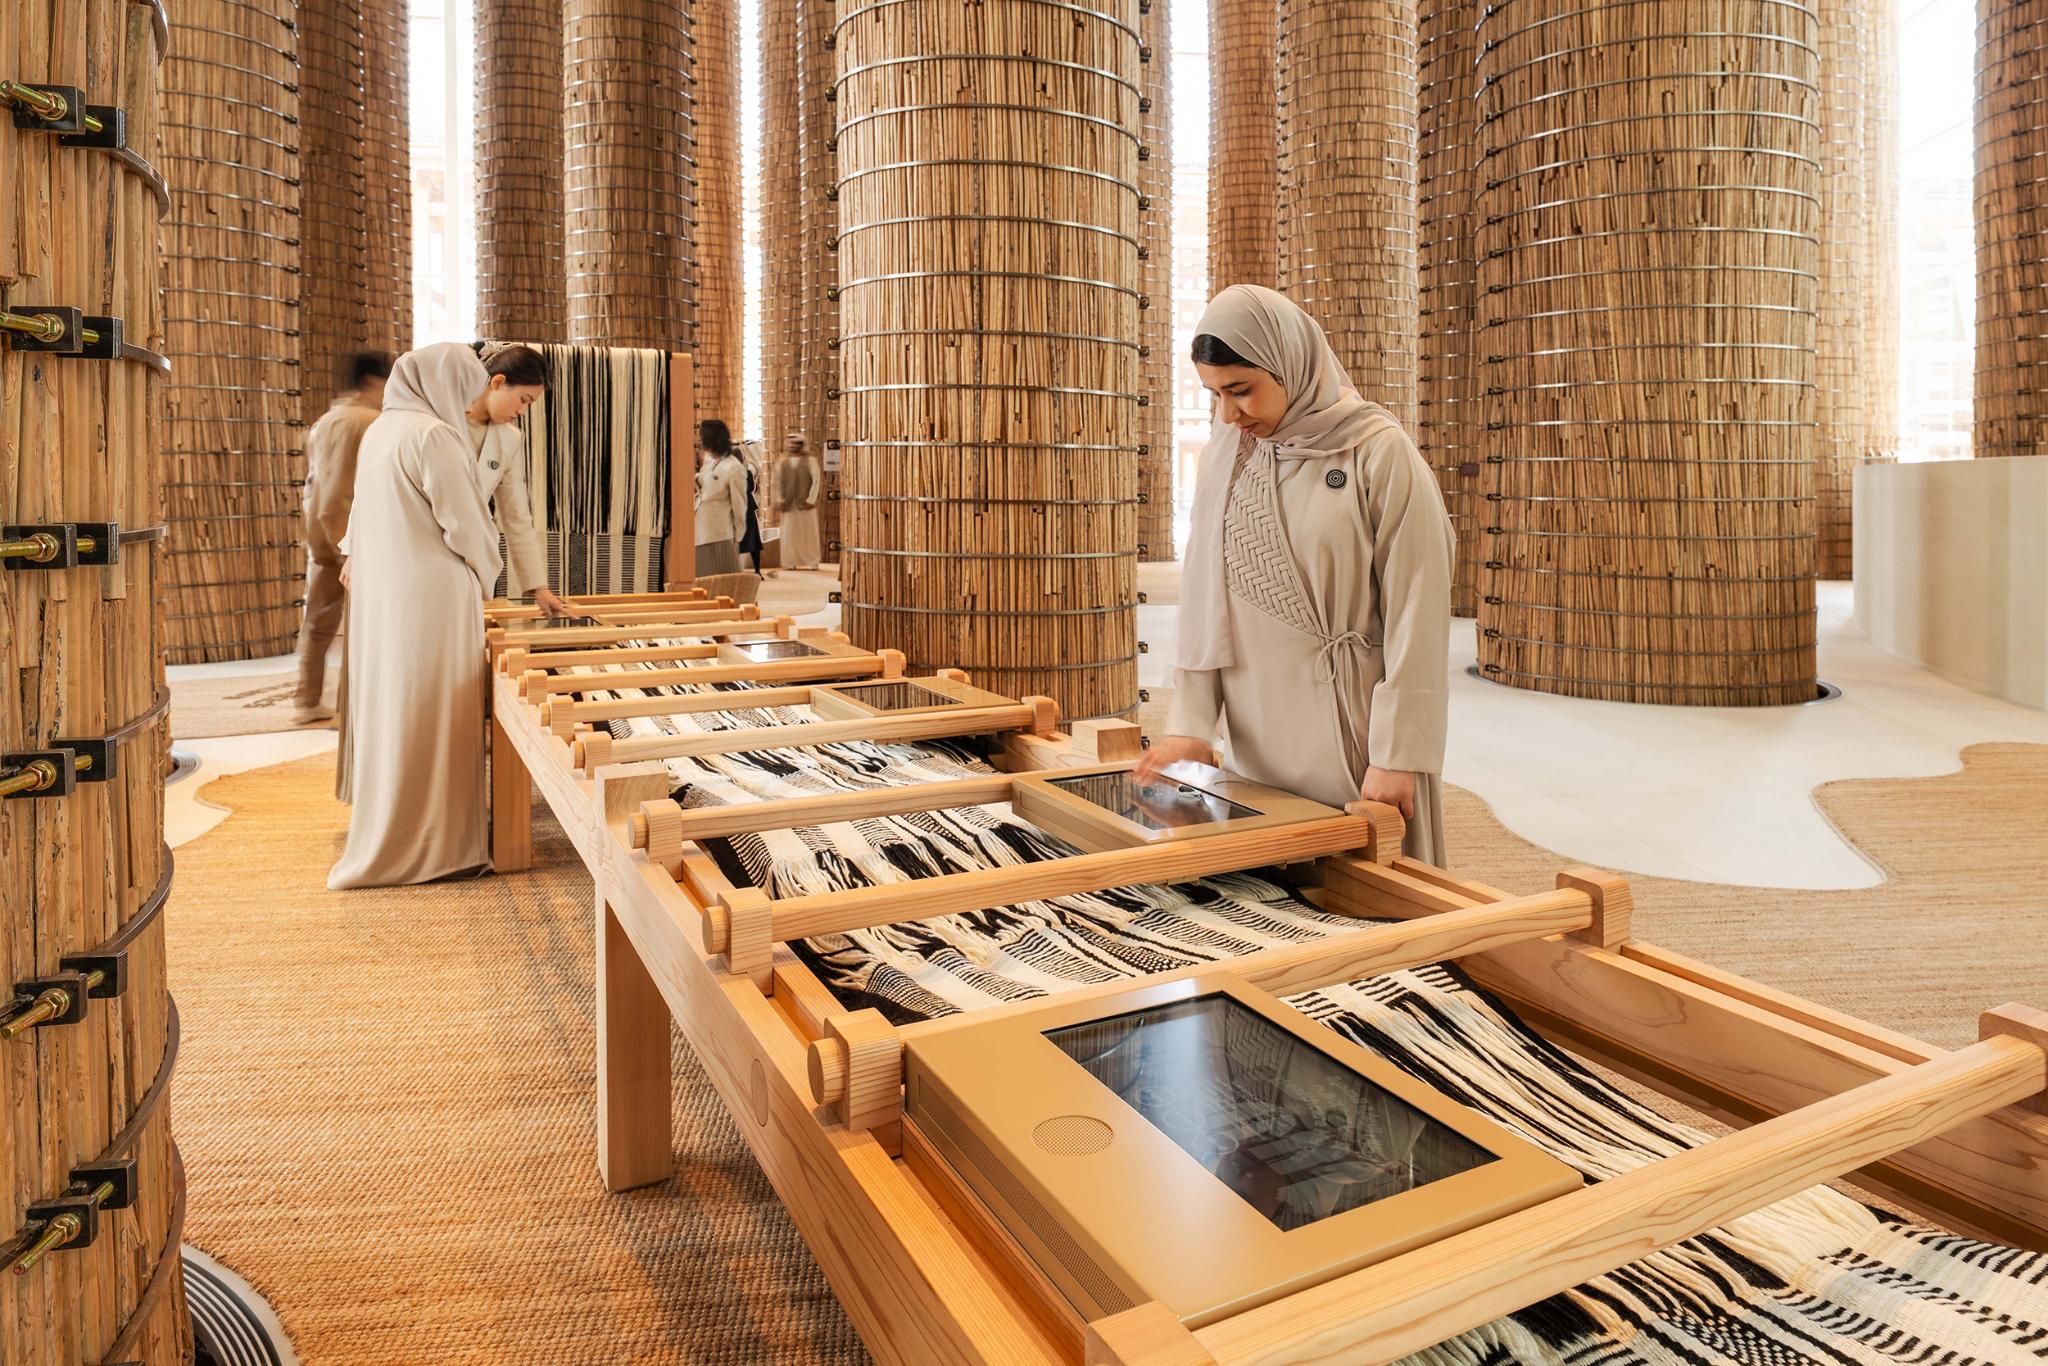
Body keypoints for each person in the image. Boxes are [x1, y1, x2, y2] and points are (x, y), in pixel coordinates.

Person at [1135, 285, 1456, 863]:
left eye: (1241, 391)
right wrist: (1191, 724)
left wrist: (1398, 755)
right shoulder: (1230, 455)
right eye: (1215, 396)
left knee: (1380, 896)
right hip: (1257, 728)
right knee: (1276, 895)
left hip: (1353, 727)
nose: (1231, 414)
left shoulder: (1377, 452)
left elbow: (1419, 610)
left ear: (1289, 364)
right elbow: (1207, 600)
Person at [329, 345, 504, 890]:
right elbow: (467, 525)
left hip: (388, 590)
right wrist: (487, 575)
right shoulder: (433, 435)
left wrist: (356, 557)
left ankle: (401, 829)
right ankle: (440, 845)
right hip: (434, 595)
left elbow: (359, 513)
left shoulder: (383, 430)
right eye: (468, 387)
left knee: (399, 706)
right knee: (435, 710)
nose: (472, 399)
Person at [292, 349, 390, 725]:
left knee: (319, 619)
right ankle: (355, 708)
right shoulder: (369, 422)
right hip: (353, 535)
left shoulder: (326, 420)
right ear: (373, 381)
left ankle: (307, 698)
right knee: (368, 625)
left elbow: (316, 485)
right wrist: (349, 543)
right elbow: (347, 489)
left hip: (320, 529)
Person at [474, 344, 569, 617]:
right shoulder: (441, 422)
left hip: (472, 556)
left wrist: (538, 587)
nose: (523, 411)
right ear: (498, 382)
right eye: (523, 399)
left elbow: (516, 516)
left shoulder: (510, 439)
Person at [694, 419, 747, 576]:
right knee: (702, 578)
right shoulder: (709, 463)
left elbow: (739, 504)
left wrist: (739, 534)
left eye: (702, 435)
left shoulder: (734, 467)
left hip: (720, 532)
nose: (699, 439)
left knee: (725, 579)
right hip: (701, 527)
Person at [776, 434, 823, 570]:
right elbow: (778, 483)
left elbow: (816, 480)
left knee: (809, 533)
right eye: (791, 443)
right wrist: (780, 499)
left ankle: (813, 561)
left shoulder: (810, 461)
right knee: (790, 534)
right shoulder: (782, 462)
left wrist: (811, 499)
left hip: (806, 504)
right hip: (789, 504)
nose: (793, 446)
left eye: (796, 443)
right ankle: (790, 562)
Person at [737, 437, 765, 574]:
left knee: (736, 542)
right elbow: (752, 488)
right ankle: (757, 571)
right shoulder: (747, 472)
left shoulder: (729, 472)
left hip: (735, 510)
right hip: (748, 508)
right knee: (753, 542)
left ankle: (735, 570)